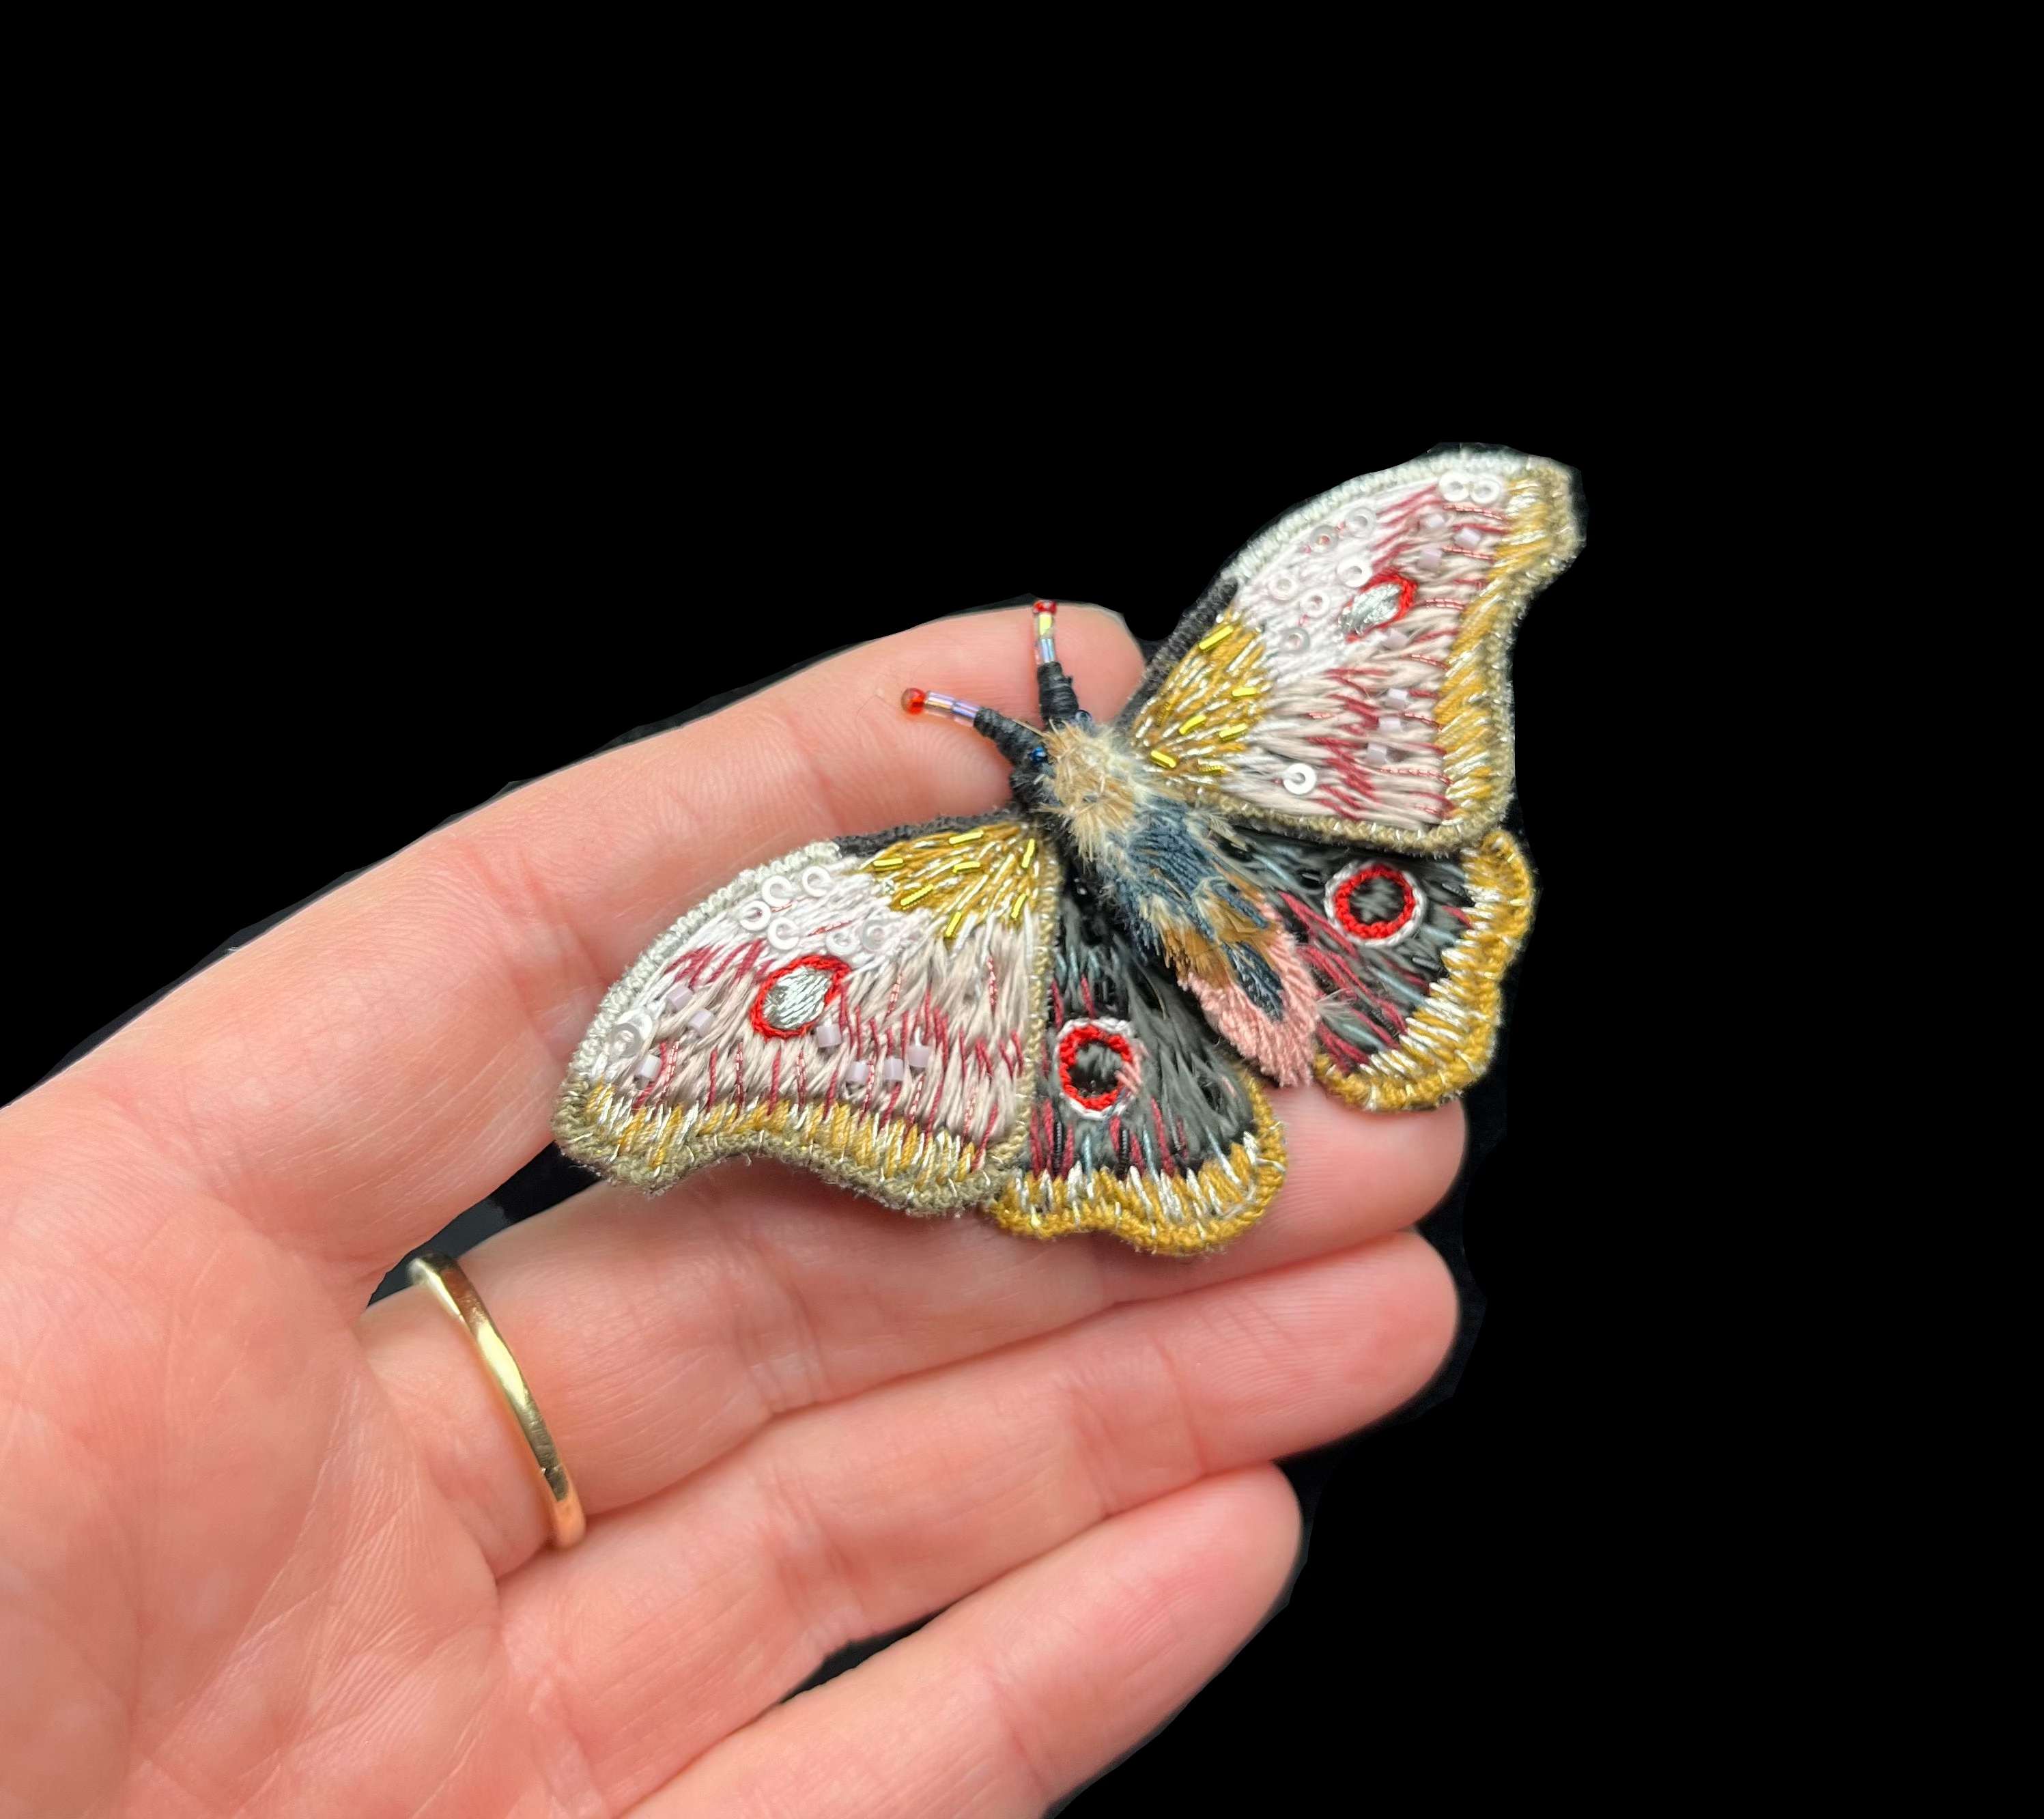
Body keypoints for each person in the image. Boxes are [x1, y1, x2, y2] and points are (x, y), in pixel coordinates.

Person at [0, 606, 1461, 1816]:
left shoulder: (959, 871)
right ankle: (1374, 973)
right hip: (1257, 935)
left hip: (1142, 974)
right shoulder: (1126, 760)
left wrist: (984, 730)